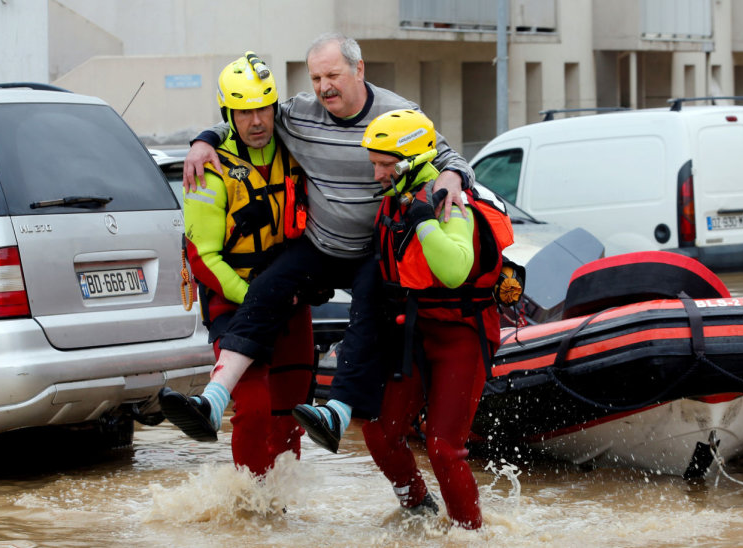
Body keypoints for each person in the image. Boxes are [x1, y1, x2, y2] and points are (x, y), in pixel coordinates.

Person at [178, 33, 475, 452]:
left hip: (372, 250)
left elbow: (448, 156)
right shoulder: (298, 114)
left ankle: (337, 411)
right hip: (320, 246)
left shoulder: (399, 113)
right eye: (316, 77)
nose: (324, 87)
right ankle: (213, 399)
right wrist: (202, 140)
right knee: (267, 288)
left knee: (367, 311)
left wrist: (454, 175)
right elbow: (246, 118)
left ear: (359, 69)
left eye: (332, 74)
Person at [158, 53, 314, 477]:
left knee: (291, 413)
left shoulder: (295, 148)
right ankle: (249, 510)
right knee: (254, 409)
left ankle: (281, 511)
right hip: (236, 299)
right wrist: (257, 299)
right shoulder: (208, 169)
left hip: (292, 297)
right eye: (244, 111)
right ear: (229, 113)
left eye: (263, 107)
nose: (257, 120)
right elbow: (203, 258)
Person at [359, 109, 515, 530]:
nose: (376, 174)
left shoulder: (449, 200)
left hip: (461, 333)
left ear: (409, 162)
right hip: (413, 332)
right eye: (374, 163)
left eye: (384, 165)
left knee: (444, 446)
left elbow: (454, 270)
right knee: (378, 430)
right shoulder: (398, 198)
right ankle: (418, 509)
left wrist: (426, 222)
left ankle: (470, 535)